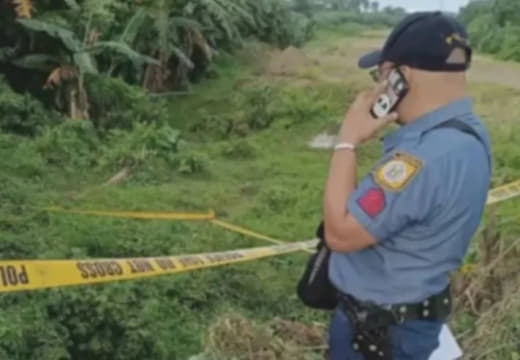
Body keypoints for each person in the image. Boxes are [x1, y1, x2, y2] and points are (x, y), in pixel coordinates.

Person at [322, 12, 493, 360]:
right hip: (412, 320)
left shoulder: (421, 159)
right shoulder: (470, 134)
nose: (379, 87)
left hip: (379, 333)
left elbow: (339, 233)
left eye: (380, 75)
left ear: (399, 75)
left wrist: (347, 141)